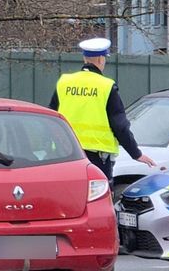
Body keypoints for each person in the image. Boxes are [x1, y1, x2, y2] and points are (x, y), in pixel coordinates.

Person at [49, 37, 158, 181]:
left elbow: (51, 116)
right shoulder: (106, 86)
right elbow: (120, 126)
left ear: (84, 59)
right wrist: (136, 154)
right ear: (101, 59)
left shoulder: (64, 82)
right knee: (98, 197)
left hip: (65, 152)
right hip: (97, 157)